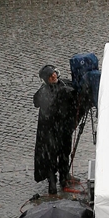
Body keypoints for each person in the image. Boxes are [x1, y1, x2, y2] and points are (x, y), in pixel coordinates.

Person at [33, 65, 76, 196]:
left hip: (64, 130)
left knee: (64, 153)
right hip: (50, 132)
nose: (53, 76)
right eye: (50, 76)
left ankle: (64, 178)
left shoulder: (63, 85)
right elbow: (38, 103)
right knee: (51, 157)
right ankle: (52, 183)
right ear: (46, 79)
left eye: (53, 73)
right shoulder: (44, 92)